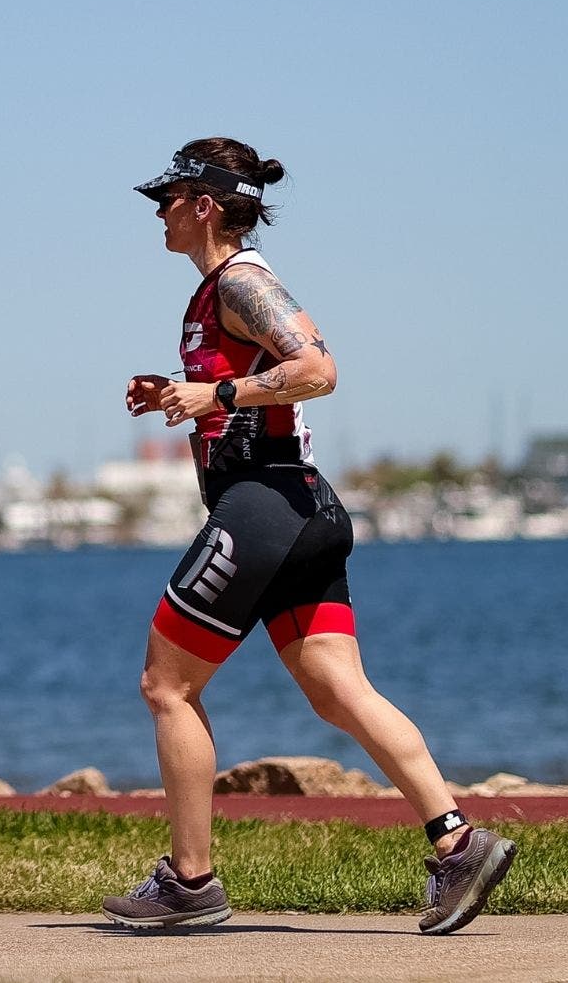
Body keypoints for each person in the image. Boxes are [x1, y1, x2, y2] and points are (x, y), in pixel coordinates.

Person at [100, 137, 515, 935]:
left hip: (266, 509)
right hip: (302, 510)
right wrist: (182, 394)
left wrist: (214, 391)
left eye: (168, 198)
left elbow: (318, 370)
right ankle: (457, 844)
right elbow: (254, 387)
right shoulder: (218, 291)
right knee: (336, 689)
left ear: (204, 206)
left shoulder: (244, 281)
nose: (157, 212)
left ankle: (191, 882)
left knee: (167, 686)